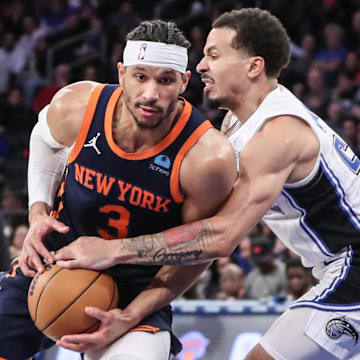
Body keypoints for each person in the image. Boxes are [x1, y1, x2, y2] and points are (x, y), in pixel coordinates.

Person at [54, 8, 360, 360]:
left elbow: (221, 237)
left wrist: (113, 250)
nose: (200, 66)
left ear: (253, 66)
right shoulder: (235, 123)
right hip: (333, 266)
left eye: (213, 55)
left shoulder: (278, 133)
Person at [0, 19, 237, 360]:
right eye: (140, 76)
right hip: (51, 264)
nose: (151, 94)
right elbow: (43, 138)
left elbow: (198, 251)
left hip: (134, 290)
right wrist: (38, 211)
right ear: (121, 72)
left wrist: (131, 314)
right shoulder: (77, 105)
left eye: (166, 80)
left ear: (185, 82)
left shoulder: (207, 158)